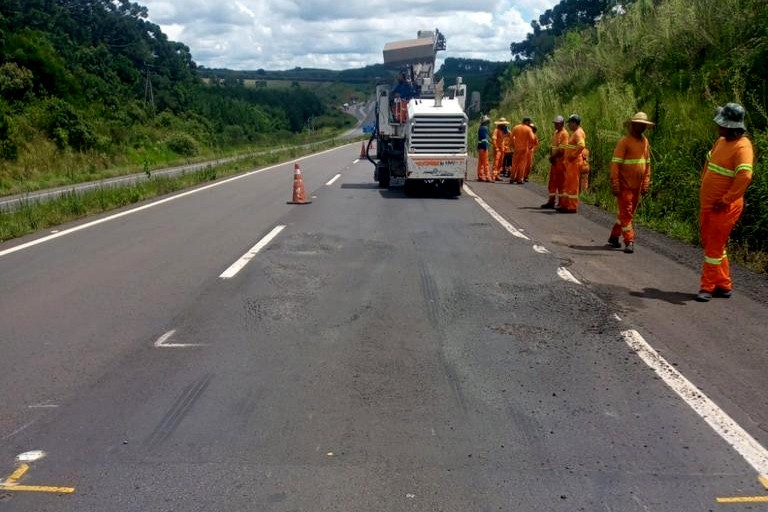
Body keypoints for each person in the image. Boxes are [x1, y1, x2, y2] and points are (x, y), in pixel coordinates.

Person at [695, 102, 754, 302]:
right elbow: (709, 163)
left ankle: (707, 287)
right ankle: (723, 283)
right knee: (713, 245)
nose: (718, 127)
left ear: (731, 126)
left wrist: (727, 198)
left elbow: (745, 176)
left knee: (713, 247)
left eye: (721, 124)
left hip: (725, 207)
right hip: (709, 205)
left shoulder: (743, 147)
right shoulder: (721, 141)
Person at [607, 112, 655, 253]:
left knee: (626, 214)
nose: (642, 127)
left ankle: (614, 237)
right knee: (626, 214)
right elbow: (615, 164)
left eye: (644, 125)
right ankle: (629, 241)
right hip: (624, 187)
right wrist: (615, 183)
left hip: (637, 187)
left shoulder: (645, 142)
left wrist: (646, 182)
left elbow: (647, 164)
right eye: (639, 124)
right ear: (633, 125)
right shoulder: (624, 142)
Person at [557, 114, 586, 213]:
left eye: (570, 123)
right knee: (568, 184)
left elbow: (581, 145)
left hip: (575, 163)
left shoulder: (578, 133)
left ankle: (572, 207)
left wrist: (573, 155)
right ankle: (565, 205)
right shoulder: (575, 132)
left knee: (573, 185)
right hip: (571, 163)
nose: (568, 125)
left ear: (574, 123)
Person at [541, 115, 569, 208]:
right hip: (554, 162)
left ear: (562, 124)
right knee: (552, 182)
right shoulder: (556, 133)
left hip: (561, 162)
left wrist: (553, 157)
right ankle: (551, 201)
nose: (555, 125)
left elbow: (562, 150)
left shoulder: (564, 134)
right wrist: (551, 156)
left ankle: (561, 202)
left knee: (561, 183)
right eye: (555, 124)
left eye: (557, 124)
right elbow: (553, 147)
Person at [510, 117, 536, 184]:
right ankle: (519, 179)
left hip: (516, 149)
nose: (529, 124)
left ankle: (512, 178)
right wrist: (531, 146)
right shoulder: (528, 129)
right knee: (522, 164)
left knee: (514, 164)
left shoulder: (516, 127)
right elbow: (532, 138)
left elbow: (511, 137)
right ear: (527, 122)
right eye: (529, 122)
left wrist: (513, 145)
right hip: (524, 149)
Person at [476, 115, 492, 182]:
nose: (488, 123)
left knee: (481, 162)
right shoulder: (484, 128)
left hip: (480, 147)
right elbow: (484, 139)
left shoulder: (481, 128)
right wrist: (486, 147)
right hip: (483, 147)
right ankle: (488, 177)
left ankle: (480, 176)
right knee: (485, 163)